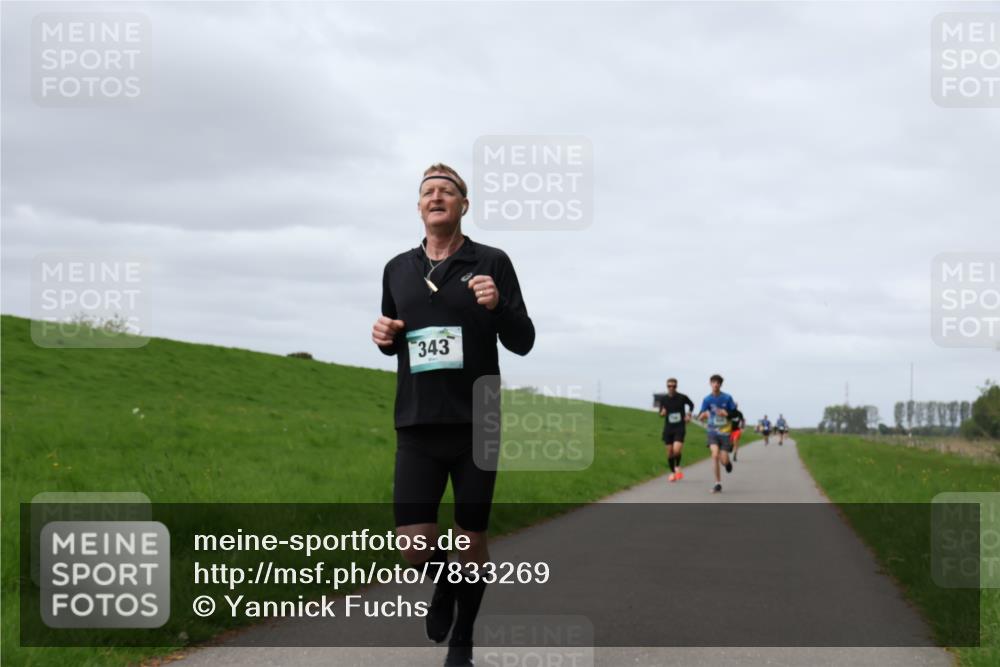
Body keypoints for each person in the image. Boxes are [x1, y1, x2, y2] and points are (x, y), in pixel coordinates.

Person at [372, 163, 535, 667]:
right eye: (427, 191)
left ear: (464, 205)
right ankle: (445, 583)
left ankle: (464, 636)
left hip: (476, 421)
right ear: (419, 206)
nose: (436, 196)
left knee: (470, 540)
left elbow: (523, 340)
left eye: (447, 191)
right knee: (414, 545)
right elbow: (393, 333)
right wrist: (382, 338)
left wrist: (497, 307)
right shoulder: (397, 268)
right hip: (418, 421)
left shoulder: (491, 261)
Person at [697, 374, 738, 493]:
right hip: (712, 432)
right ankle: (718, 483)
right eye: (713, 382)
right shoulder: (707, 399)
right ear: (710, 384)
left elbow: (735, 414)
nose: (715, 384)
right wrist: (702, 416)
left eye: (718, 382)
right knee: (714, 455)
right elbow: (701, 414)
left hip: (725, 433)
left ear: (720, 384)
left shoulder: (727, 397)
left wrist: (727, 414)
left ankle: (727, 463)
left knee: (724, 460)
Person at [658, 378, 695, 482]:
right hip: (668, 428)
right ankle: (673, 473)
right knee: (669, 453)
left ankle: (677, 466)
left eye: (673, 386)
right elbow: (661, 412)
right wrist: (662, 413)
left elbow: (691, 405)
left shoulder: (682, 397)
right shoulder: (664, 399)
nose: (671, 388)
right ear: (667, 386)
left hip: (680, 427)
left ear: (676, 386)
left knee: (677, 450)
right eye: (669, 386)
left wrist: (688, 414)